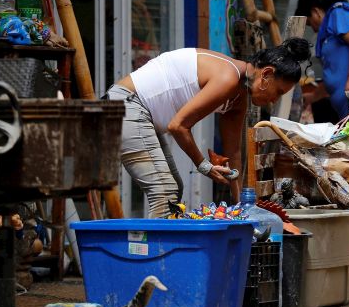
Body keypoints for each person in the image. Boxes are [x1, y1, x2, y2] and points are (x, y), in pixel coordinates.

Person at [104, 38, 312, 218]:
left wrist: (241, 205)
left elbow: (233, 153)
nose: (273, 100)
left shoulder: (239, 97)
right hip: (126, 105)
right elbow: (178, 126)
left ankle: (166, 255)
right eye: (278, 92)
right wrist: (204, 165)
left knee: (174, 189)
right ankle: (159, 261)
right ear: (266, 74)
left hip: (141, 114)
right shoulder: (228, 77)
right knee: (164, 191)